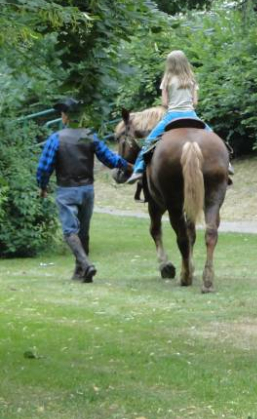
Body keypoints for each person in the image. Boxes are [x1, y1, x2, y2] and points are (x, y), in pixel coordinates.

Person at [36, 98, 133, 283]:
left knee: (69, 231)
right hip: (87, 189)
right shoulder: (90, 136)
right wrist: (130, 166)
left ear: (65, 116)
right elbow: (110, 159)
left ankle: (86, 265)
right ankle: (81, 273)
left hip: (66, 190)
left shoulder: (56, 139)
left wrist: (42, 186)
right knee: (83, 232)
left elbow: (44, 167)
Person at [126, 50, 231, 184]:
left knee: (150, 141)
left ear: (169, 64)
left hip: (172, 116)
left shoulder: (167, 80)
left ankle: (138, 169)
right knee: (214, 137)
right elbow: (195, 103)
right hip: (191, 115)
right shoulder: (191, 79)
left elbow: (164, 103)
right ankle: (227, 164)